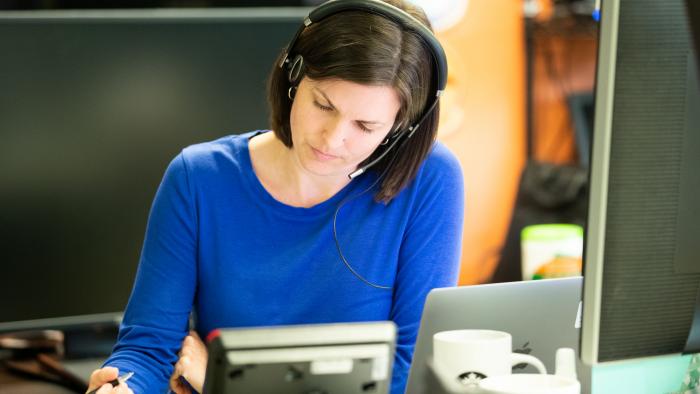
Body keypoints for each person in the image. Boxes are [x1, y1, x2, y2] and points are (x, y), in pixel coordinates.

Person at [86, 0, 464, 393]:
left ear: (400, 129)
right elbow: (149, 350)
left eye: (365, 126)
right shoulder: (197, 179)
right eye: (323, 105)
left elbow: (413, 371)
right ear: (293, 77)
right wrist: (122, 386)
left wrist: (223, 383)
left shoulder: (429, 179)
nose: (333, 139)